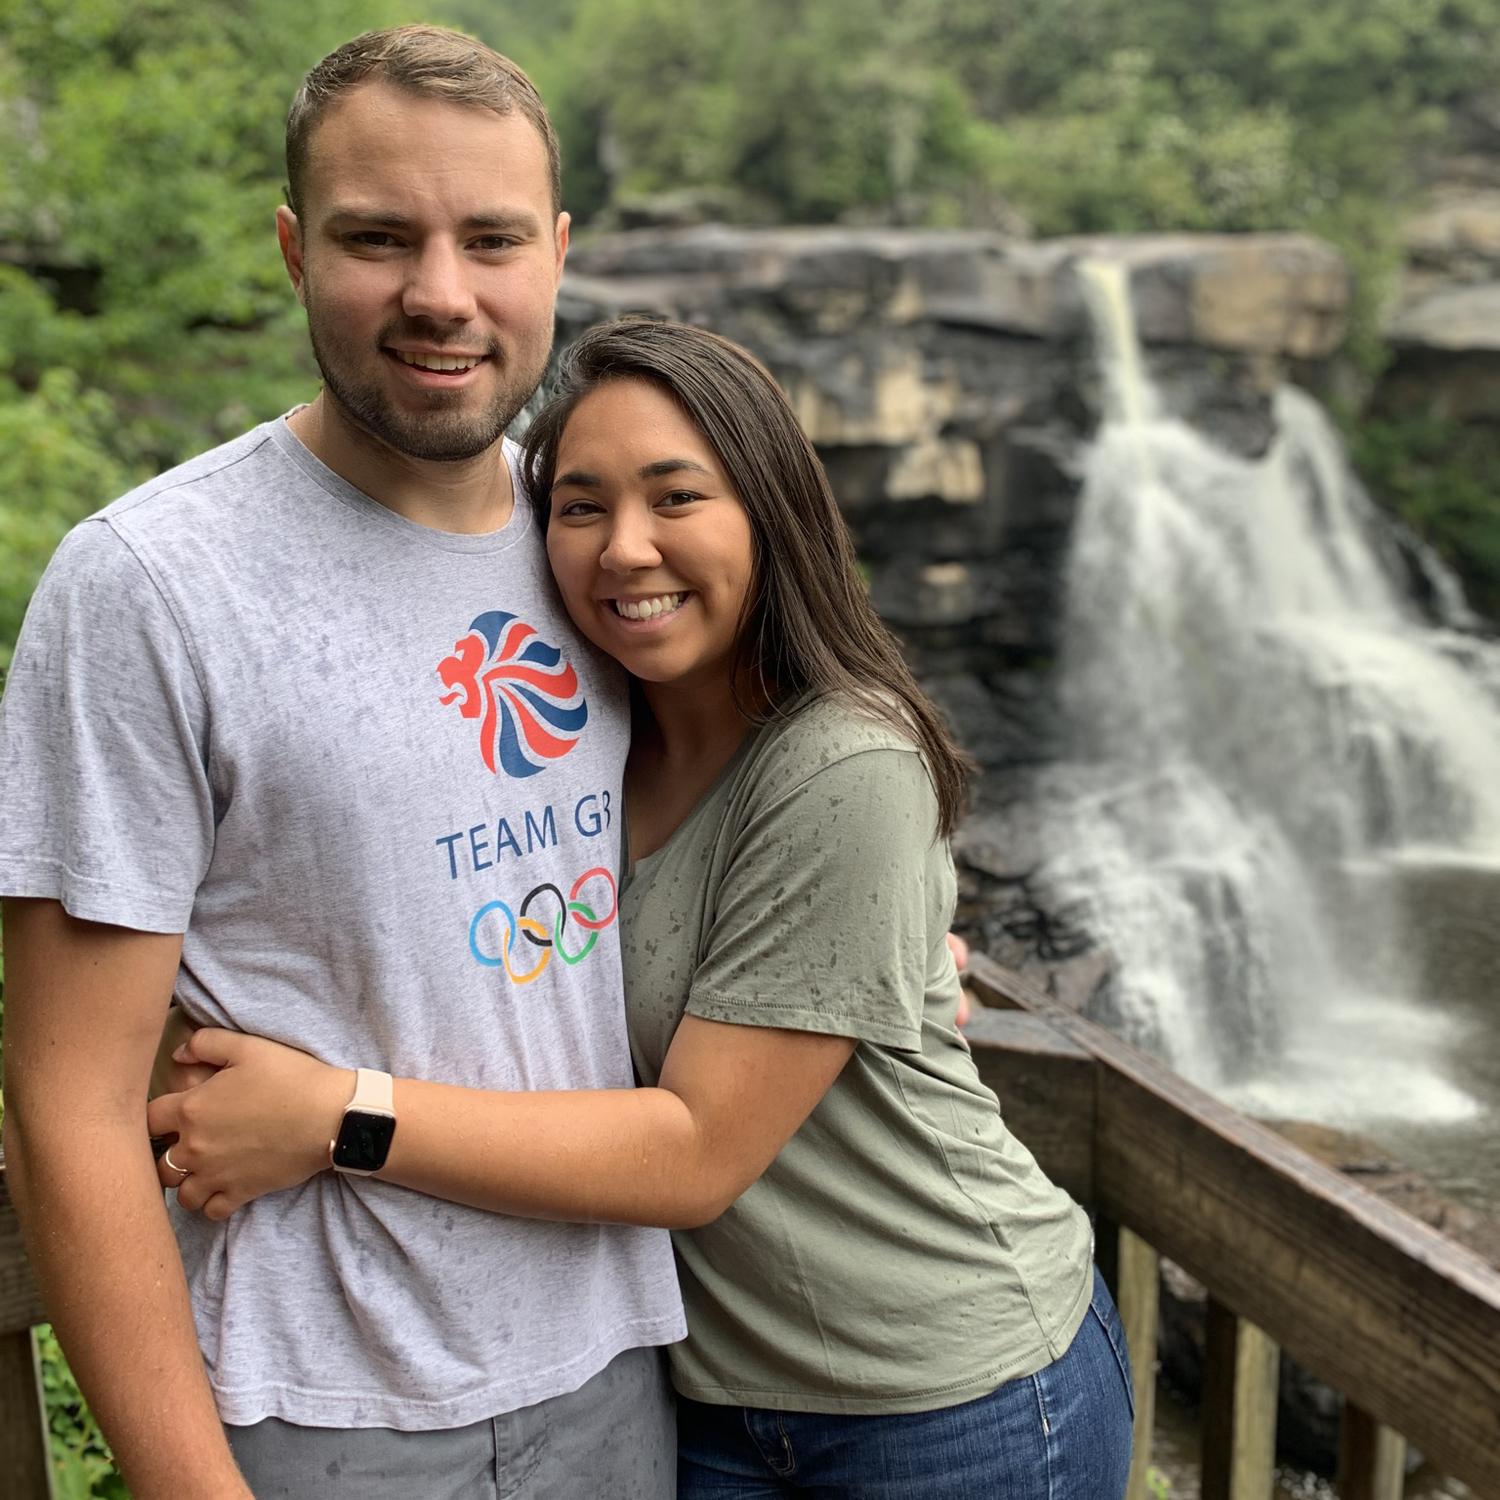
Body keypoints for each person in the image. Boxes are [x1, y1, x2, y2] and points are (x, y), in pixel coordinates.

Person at [148, 318, 1137, 1499]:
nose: (625, 550)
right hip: (710, 1396)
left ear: (771, 515)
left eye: (677, 498)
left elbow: (696, 1154)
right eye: (579, 507)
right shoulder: (590, 746)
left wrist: (335, 1117)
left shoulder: (844, 765)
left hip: (952, 1400)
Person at [0, 27, 687, 1500]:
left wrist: (876, 942)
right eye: (380, 238)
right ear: (295, 250)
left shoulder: (607, 543)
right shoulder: (148, 588)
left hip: (623, 1373)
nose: (442, 294)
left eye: (490, 238)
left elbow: (752, 801)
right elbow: (67, 1100)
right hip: (314, 1419)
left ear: (556, 254)